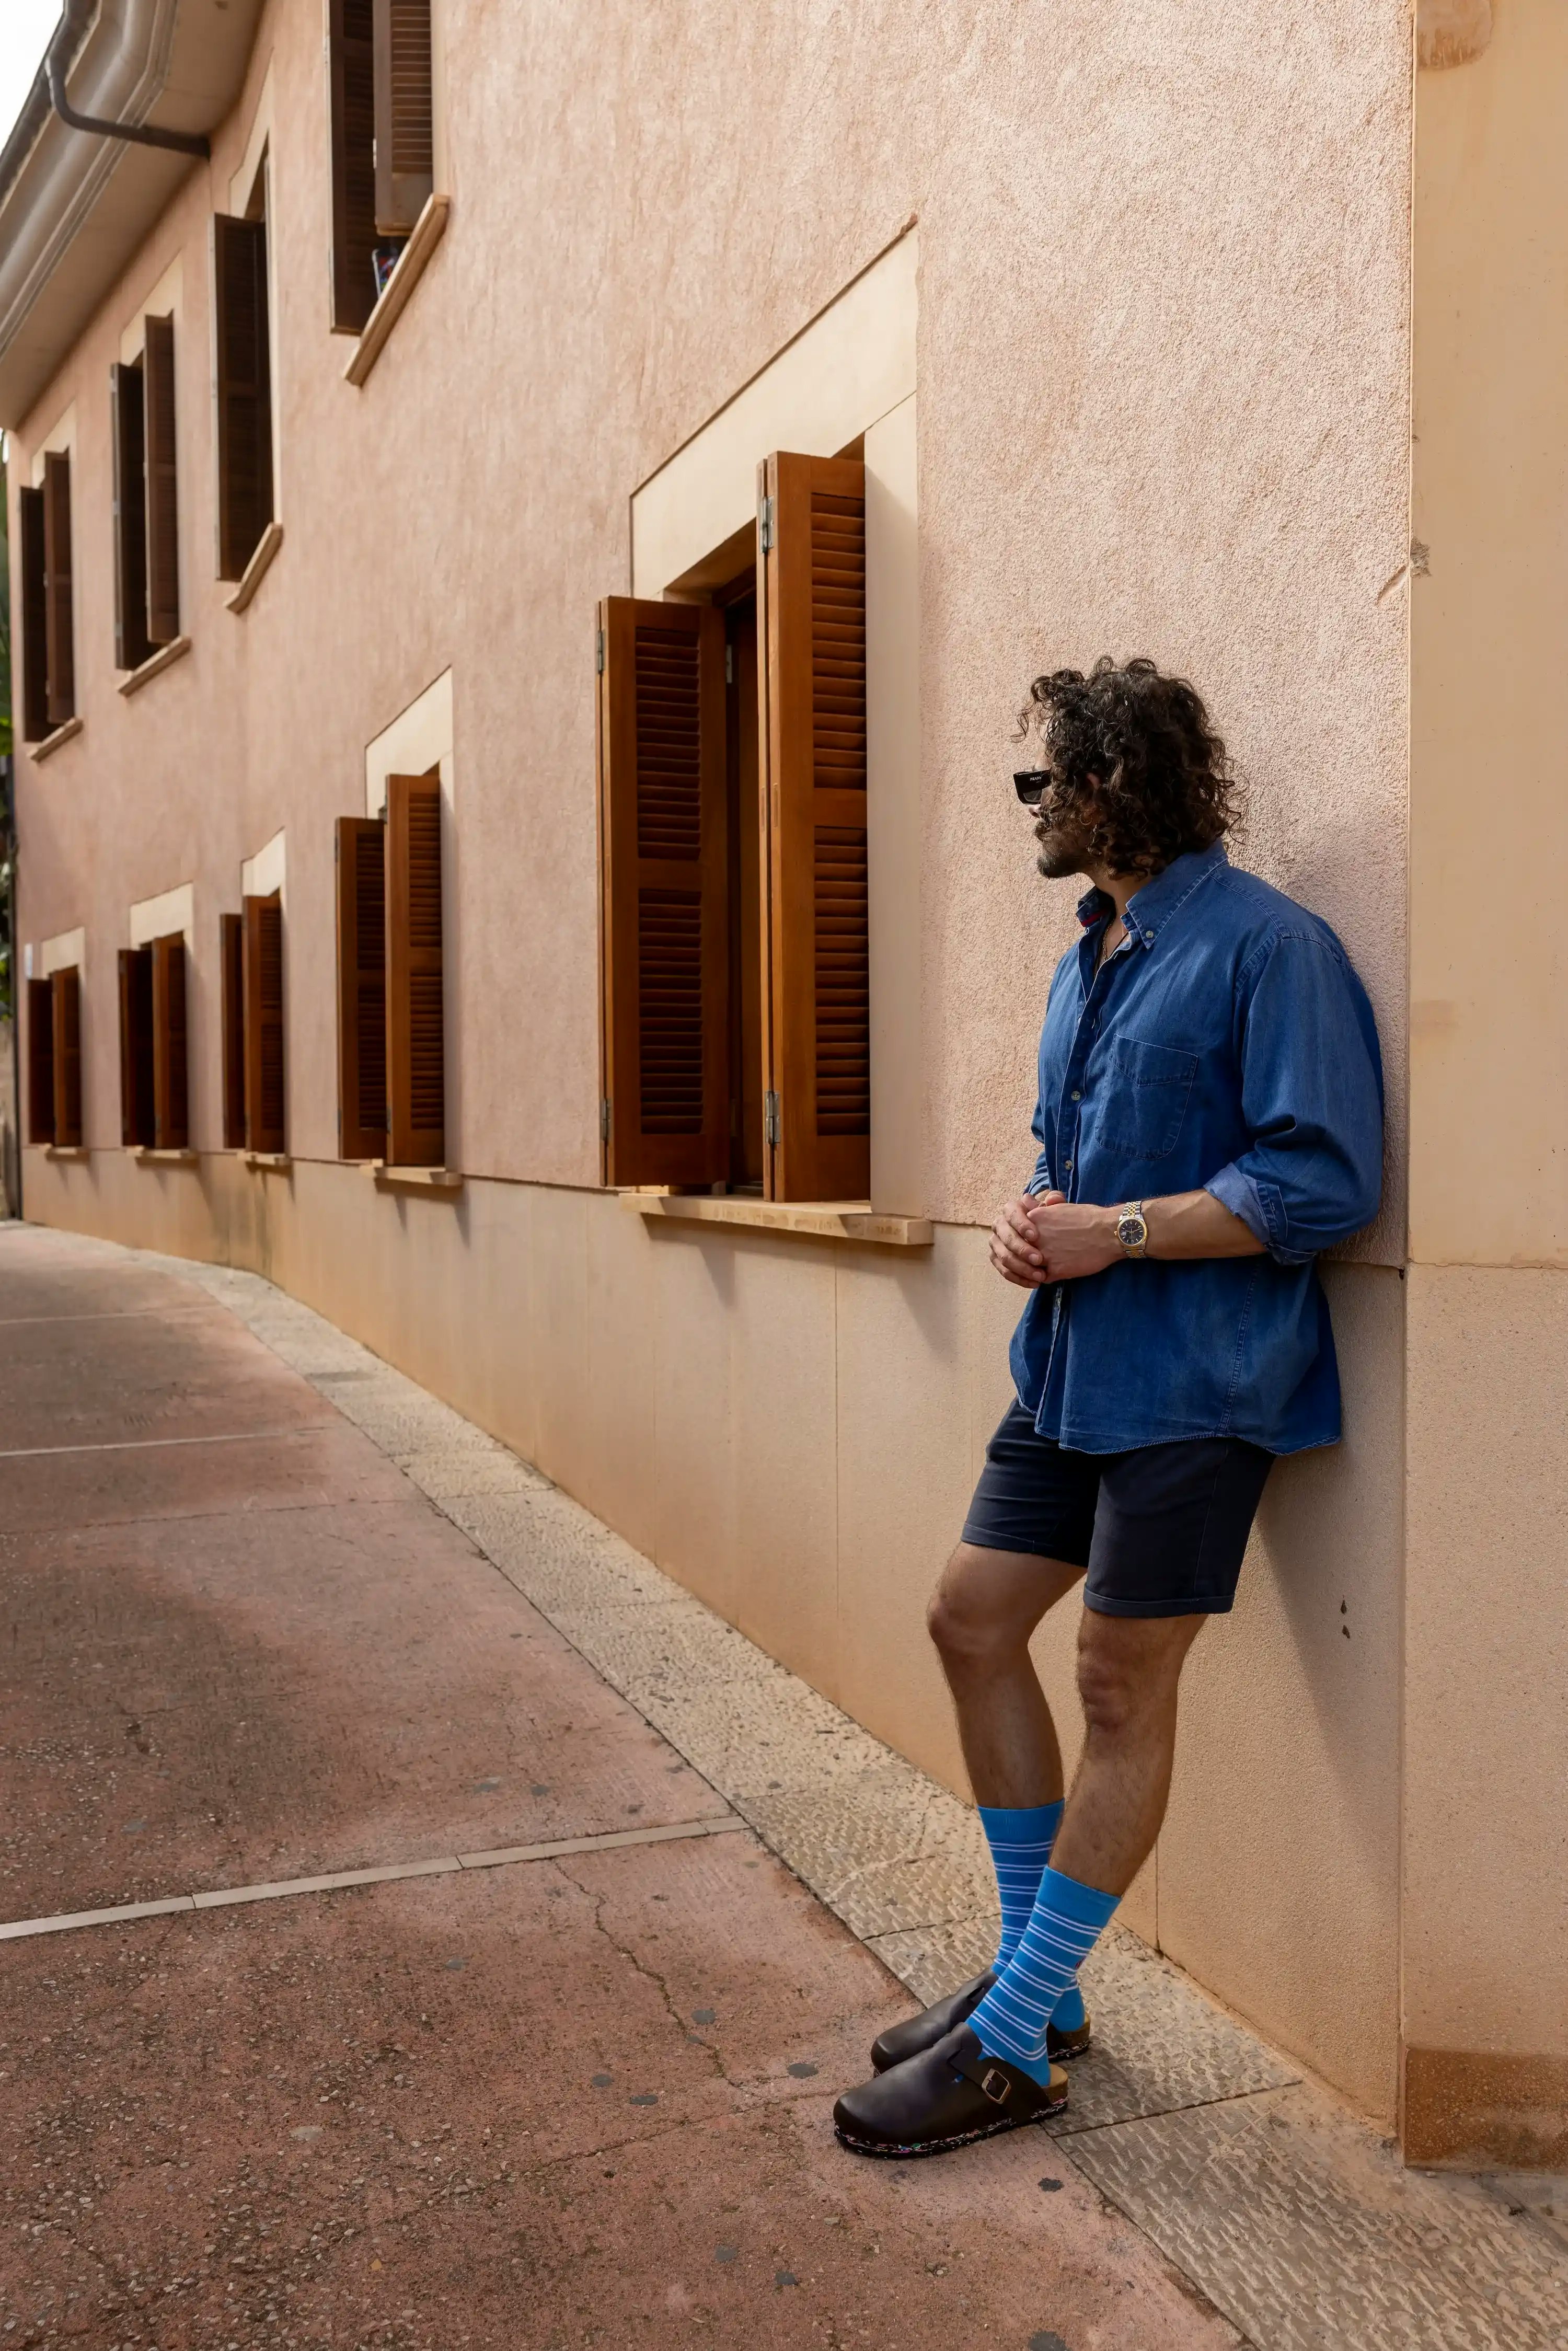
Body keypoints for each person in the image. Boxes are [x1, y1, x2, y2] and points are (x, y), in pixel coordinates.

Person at [834, 656, 1383, 2159]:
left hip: (1199, 1384)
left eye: (1044, 783)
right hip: (1070, 1368)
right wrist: (1036, 1221)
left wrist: (1118, 1231)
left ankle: (1012, 2042)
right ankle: (1044, 1989)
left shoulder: (1273, 949)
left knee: (1119, 1688)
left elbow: (1324, 1181)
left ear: (1110, 784)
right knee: (968, 1619)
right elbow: (1067, 1153)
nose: (1032, 810)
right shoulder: (1090, 957)